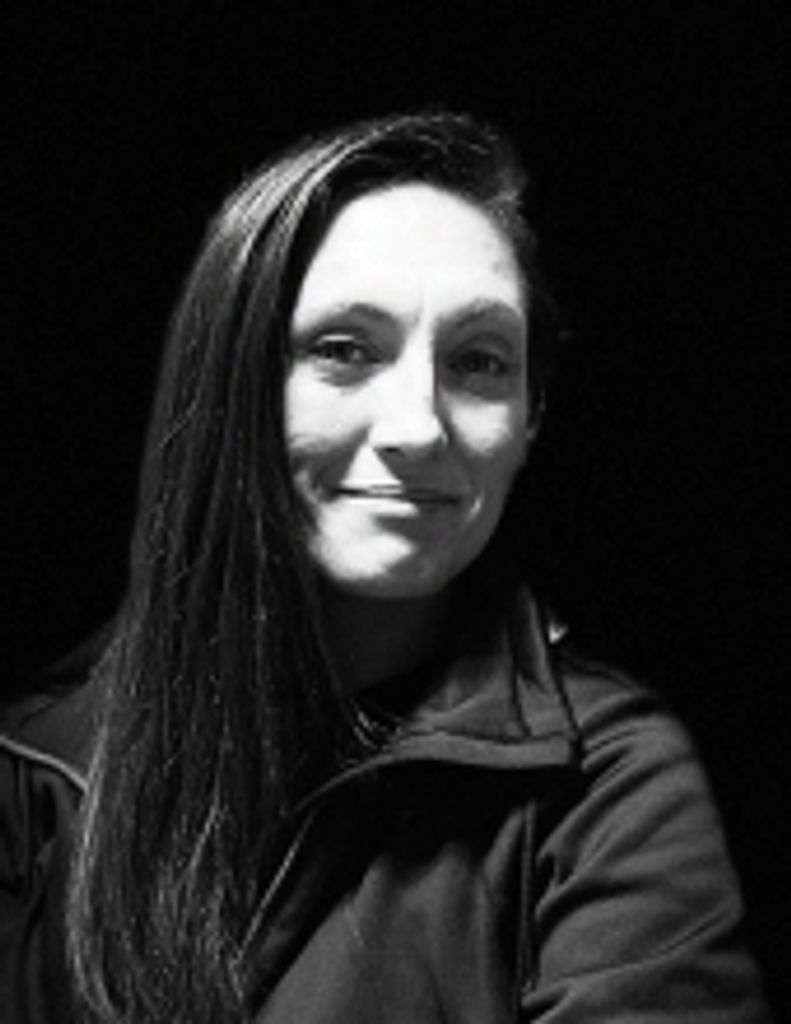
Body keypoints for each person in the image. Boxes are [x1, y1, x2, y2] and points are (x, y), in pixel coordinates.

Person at [0, 111, 771, 1023]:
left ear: (529, 418)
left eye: (478, 361)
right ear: (234, 383)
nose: (416, 427)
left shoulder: (609, 789)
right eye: (342, 350)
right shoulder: (36, 767)